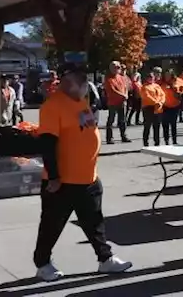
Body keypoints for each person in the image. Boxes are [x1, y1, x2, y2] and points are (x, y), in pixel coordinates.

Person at [32, 66, 132, 281]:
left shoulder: (80, 101)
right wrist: (54, 177)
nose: (87, 84)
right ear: (69, 82)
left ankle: (105, 259)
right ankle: (42, 263)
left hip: (88, 177)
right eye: (82, 80)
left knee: (94, 221)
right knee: (52, 224)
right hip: (63, 181)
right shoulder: (53, 106)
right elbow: (48, 144)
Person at [103, 62, 130, 144]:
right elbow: (112, 90)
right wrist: (123, 95)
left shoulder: (122, 77)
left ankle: (123, 136)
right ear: (110, 68)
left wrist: (126, 94)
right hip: (113, 102)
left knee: (123, 120)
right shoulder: (108, 78)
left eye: (118, 67)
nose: (117, 69)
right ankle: (109, 138)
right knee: (111, 120)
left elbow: (126, 87)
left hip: (122, 102)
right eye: (115, 67)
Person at [140, 69, 166, 145]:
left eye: (151, 77)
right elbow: (146, 96)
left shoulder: (157, 86)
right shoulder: (144, 87)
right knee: (147, 126)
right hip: (148, 108)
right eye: (148, 77)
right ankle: (145, 142)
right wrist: (156, 102)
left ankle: (157, 142)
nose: (150, 78)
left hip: (158, 108)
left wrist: (161, 102)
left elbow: (162, 95)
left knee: (157, 126)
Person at [160, 71, 181, 145]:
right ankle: (166, 141)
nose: (167, 77)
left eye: (168, 75)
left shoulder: (176, 83)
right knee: (165, 124)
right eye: (166, 75)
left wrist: (173, 88)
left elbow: (179, 95)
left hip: (175, 106)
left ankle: (174, 141)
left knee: (173, 124)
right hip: (165, 106)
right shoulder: (162, 84)